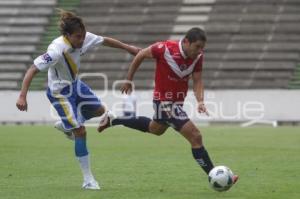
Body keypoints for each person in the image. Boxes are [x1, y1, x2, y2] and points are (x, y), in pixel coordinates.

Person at [16, 9, 140, 190]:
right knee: (81, 132)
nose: (82, 40)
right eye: (78, 37)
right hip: (60, 93)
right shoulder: (56, 50)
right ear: (67, 36)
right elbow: (32, 69)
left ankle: (66, 125)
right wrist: (22, 95)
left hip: (75, 85)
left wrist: (129, 48)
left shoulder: (84, 37)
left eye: (83, 36)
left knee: (102, 112)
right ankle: (88, 180)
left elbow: (105, 40)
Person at [98, 27, 238, 184]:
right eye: (197, 46)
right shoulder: (164, 48)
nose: (199, 51)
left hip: (176, 102)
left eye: (202, 48)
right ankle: (216, 176)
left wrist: (200, 101)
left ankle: (113, 120)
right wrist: (129, 79)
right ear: (186, 41)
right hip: (163, 102)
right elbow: (140, 54)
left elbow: (197, 80)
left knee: (155, 129)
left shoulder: (198, 57)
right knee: (195, 136)